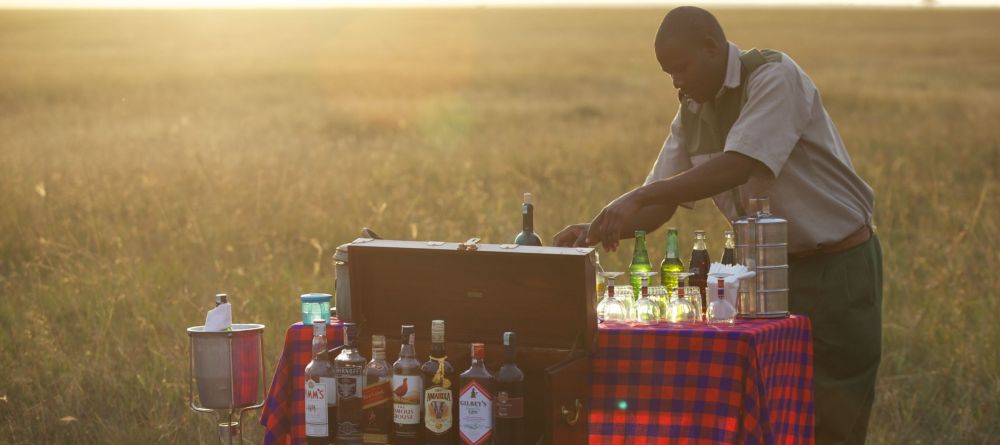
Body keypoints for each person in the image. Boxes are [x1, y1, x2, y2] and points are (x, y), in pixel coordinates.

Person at [553, 6, 882, 445]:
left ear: (712, 47)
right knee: (774, 412)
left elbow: (740, 165)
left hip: (835, 267)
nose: (676, 81)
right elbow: (662, 200)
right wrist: (594, 229)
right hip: (764, 276)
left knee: (832, 417)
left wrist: (639, 196)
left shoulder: (772, 75)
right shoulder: (692, 110)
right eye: (667, 72)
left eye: (681, 67)